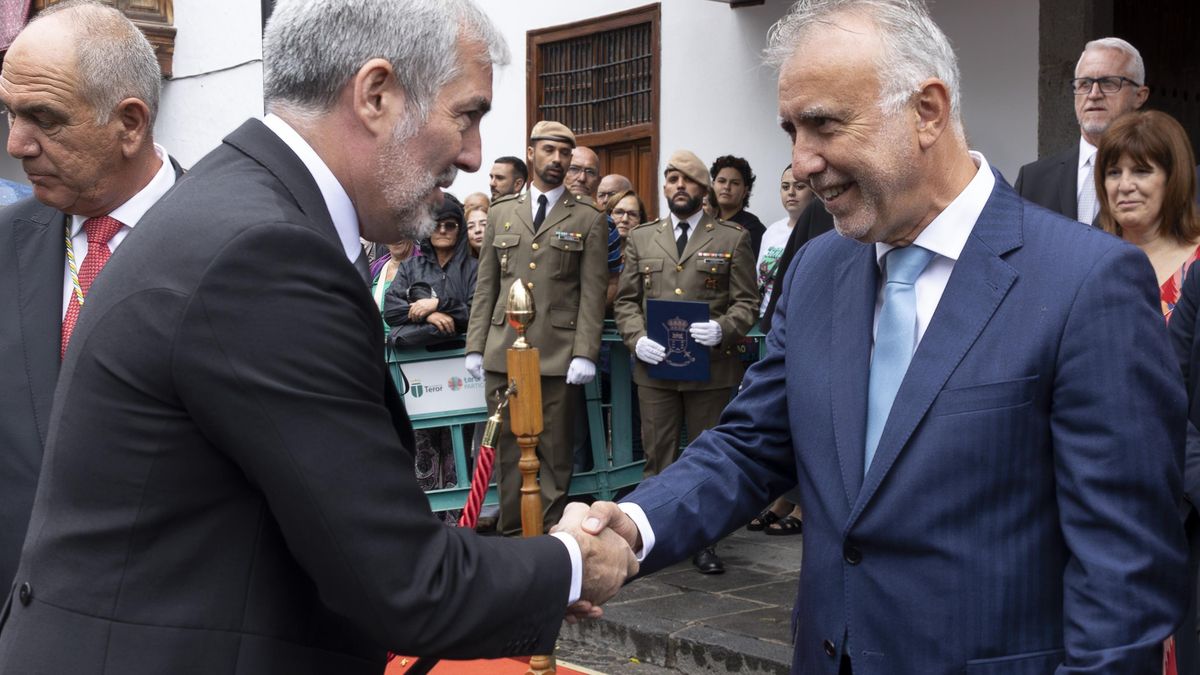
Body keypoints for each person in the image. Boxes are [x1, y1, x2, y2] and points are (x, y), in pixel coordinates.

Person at [0, 1, 638, 672]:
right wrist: (572, 561)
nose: (475, 155)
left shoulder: (239, 204)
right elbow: (407, 581)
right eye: (467, 114)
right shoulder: (265, 251)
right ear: (376, 94)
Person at [579, 1, 1189, 672]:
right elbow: (753, 442)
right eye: (790, 129)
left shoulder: (1086, 282)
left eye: (824, 125)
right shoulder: (818, 269)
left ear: (928, 111)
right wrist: (633, 528)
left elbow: (1123, 573)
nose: (803, 161)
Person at [0, 0, 183, 595]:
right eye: (9, 115)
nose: (16, 145)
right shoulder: (6, 246)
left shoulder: (243, 247)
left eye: (43, 118)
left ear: (130, 124)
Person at [613, 149, 758, 574]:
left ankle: (705, 541)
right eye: (673, 179)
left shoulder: (731, 238)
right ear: (664, 187)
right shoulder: (642, 237)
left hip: (710, 369)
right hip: (655, 368)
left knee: (707, 455)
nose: (680, 187)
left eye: (689, 181)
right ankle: (653, 539)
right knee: (657, 455)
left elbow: (747, 301)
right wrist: (636, 339)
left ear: (704, 189)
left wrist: (724, 329)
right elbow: (625, 302)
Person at [465, 121, 609, 537]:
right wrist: (476, 344)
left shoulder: (587, 218)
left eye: (565, 153)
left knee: (553, 449)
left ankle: (545, 530)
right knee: (507, 444)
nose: (558, 160)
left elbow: (592, 293)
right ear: (531, 153)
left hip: (557, 351)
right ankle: (513, 531)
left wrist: (585, 351)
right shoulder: (501, 211)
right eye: (549, 150)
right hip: (503, 348)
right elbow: (486, 285)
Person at [746, 164, 815, 537]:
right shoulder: (773, 231)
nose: (791, 193)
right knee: (774, 415)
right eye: (785, 185)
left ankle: (803, 504)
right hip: (770, 328)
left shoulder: (822, 225)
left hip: (803, 331)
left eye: (799, 186)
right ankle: (783, 497)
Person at [1015, 38, 1149, 224]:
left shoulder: (1164, 177)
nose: (1094, 94)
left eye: (1109, 83)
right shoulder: (1033, 180)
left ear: (1140, 96)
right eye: (1085, 84)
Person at [1095, 110, 1200, 324]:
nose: (1124, 186)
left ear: (1173, 178)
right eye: (1114, 172)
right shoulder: (1087, 259)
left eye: (1141, 171)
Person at [384, 196, 477, 349]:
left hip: (465, 358)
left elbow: (477, 313)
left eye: (450, 225)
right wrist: (428, 315)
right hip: (414, 362)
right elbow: (391, 310)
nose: (442, 230)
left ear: (459, 229)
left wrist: (438, 304)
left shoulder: (474, 268)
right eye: (436, 225)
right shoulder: (410, 267)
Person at [710, 154, 766, 255]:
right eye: (721, 181)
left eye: (735, 183)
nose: (727, 187)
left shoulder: (752, 229)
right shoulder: (703, 220)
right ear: (713, 185)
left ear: (745, 191)